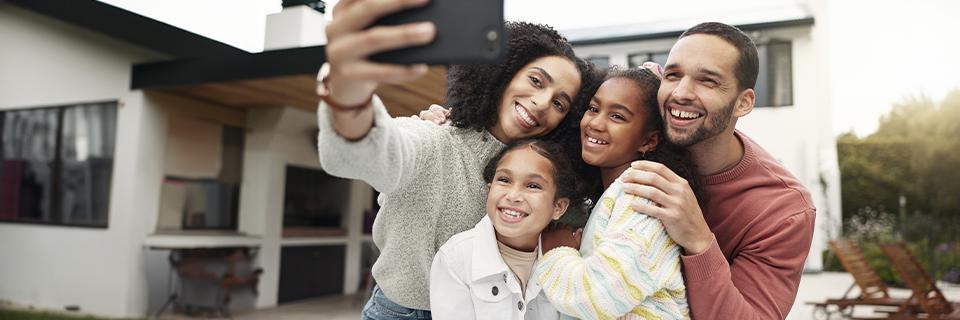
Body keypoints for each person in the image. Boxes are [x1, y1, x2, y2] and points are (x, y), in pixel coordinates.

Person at [316, 0, 601, 317]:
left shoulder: (552, 178)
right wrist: (348, 93)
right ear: (504, 73)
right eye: (536, 81)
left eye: (560, 104)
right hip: (401, 312)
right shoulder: (433, 138)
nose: (542, 102)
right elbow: (365, 153)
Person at [613, 22, 817, 319]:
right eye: (673, 75)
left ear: (743, 103)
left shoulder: (783, 210)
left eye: (707, 81)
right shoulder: (637, 135)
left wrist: (698, 239)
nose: (680, 93)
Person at [534, 67, 699, 319]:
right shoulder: (616, 192)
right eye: (593, 109)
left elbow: (596, 297)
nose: (595, 123)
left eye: (617, 117)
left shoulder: (644, 198)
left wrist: (558, 251)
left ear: (649, 141)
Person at [430, 140, 583, 320]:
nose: (513, 196)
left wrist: (561, 259)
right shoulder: (455, 258)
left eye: (533, 186)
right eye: (504, 180)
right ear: (489, 190)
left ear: (558, 207)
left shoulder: (565, 257)